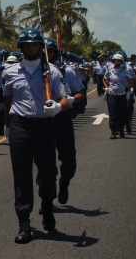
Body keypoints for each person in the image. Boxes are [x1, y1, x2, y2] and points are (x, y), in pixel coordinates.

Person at [3, 28, 68, 244]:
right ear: (21, 47)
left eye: (34, 44)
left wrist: (57, 107)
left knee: (48, 173)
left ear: (41, 47)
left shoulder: (53, 71)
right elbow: (8, 101)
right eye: (26, 45)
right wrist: (7, 126)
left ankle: (47, 207)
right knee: (21, 175)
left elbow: (65, 98)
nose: (30, 48)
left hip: (44, 126)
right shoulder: (10, 71)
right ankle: (24, 222)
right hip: (20, 126)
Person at [43, 37, 85, 205]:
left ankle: (64, 183)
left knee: (69, 161)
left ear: (55, 53)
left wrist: (70, 101)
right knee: (46, 163)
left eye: (50, 51)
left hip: (62, 116)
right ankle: (47, 200)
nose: (46, 54)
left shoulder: (66, 71)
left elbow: (80, 92)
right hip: (44, 119)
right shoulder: (35, 71)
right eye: (43, 51)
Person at [103, 53, 134, 139]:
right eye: (115, 60)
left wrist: (128, 92)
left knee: (122, 113)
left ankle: (121, 130)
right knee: (113, 113)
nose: (117, 62)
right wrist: (106, 88)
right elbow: (104, 79)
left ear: (121, 62)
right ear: (113, 61)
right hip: (112, 94)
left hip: (122, 94)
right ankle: (113, 131)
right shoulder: (110, 70)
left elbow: (130, 81)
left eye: (119, 60)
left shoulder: (125, 71)